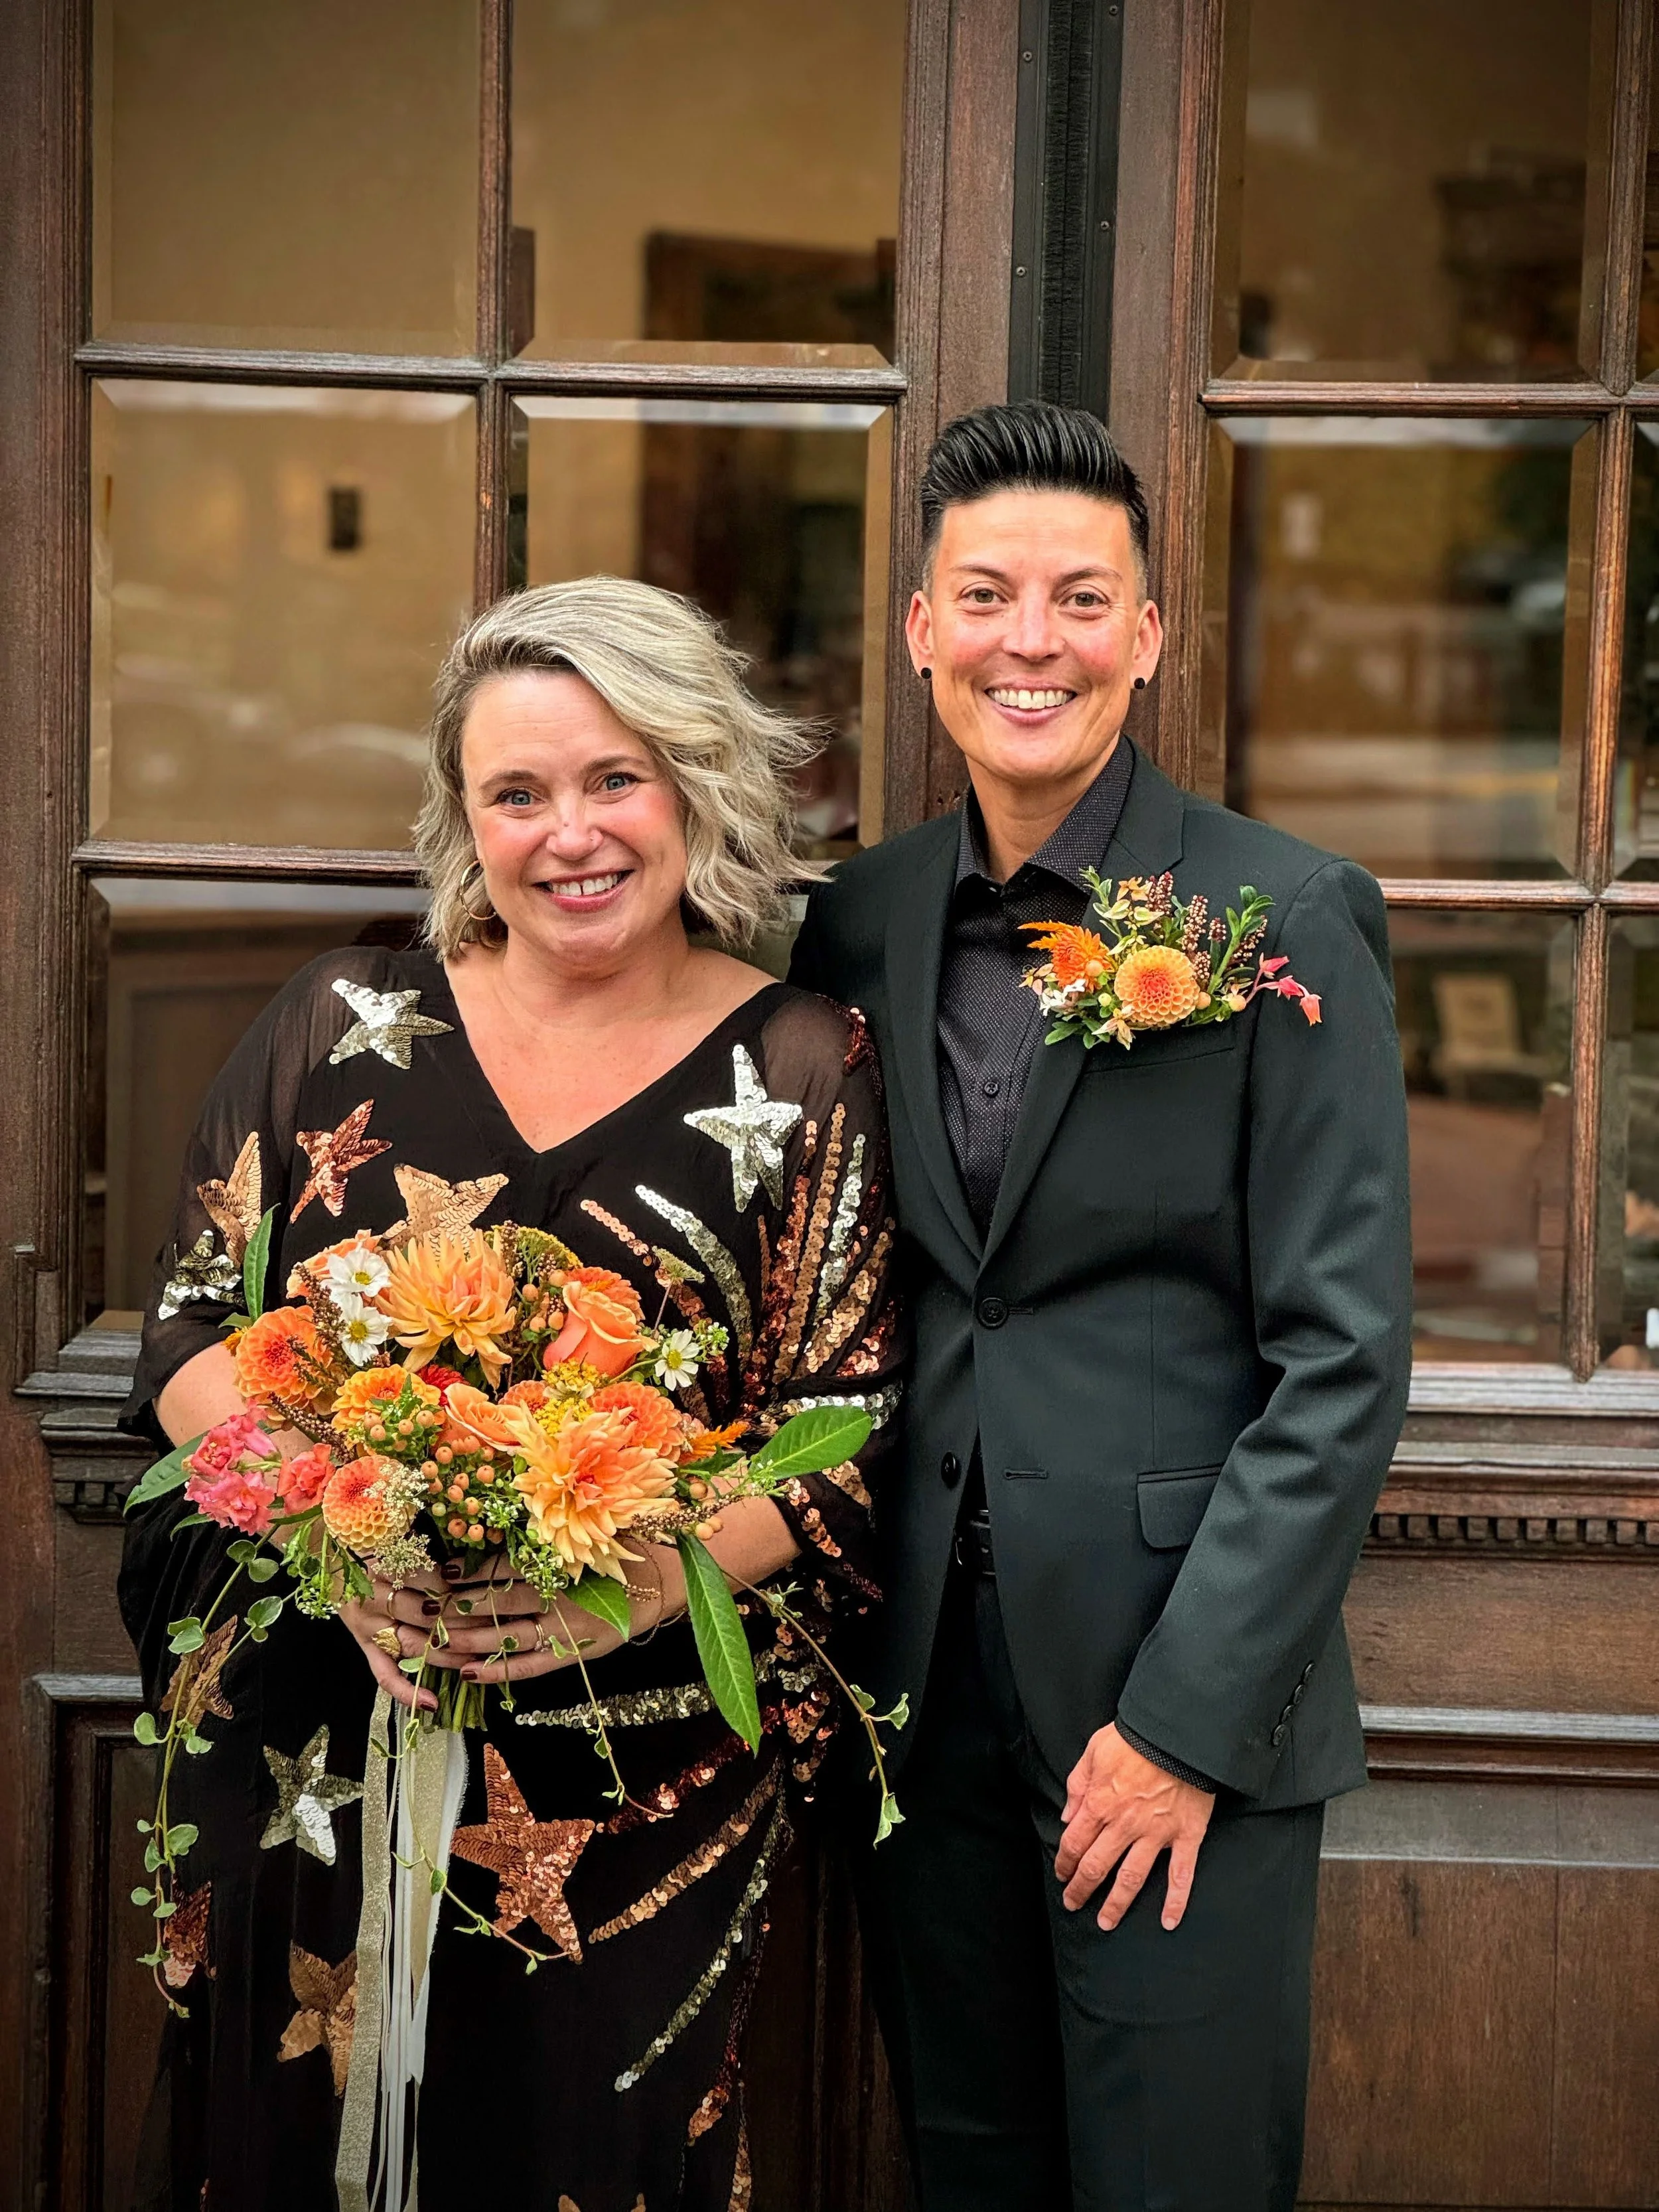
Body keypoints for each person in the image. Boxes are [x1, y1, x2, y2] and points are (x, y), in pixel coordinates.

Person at [119, 577, 902, 2212]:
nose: (571, 834)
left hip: (636, 1791)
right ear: (465, 819)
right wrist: (341, 1535)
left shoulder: (812, 1065)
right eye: (516, 793)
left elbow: (848, 1436)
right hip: (324, 1739)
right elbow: (192, 1339)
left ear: (697, 782)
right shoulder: (335, 1027)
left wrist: (624, 1590)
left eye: (616, 778)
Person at [790, 400, 1412, 2212]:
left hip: (1176, 1701)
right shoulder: (862, 919)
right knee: (966, 2165)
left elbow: (1339, 1361)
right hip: (914, 1692)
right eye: (985, 595)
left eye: (1079, 598)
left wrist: (1178, 1728)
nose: (1028, 640)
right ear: (920, 629)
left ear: (1146, 634)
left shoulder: (1282, 914)